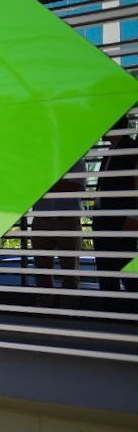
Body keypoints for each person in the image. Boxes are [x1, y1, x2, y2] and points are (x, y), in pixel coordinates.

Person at [92, 116, 136, 305]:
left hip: (121, 220)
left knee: (125, 265)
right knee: (105, 266)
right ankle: (110, 309)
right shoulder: (111, 150)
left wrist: (133, 215)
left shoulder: (131, 149)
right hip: (104, 219)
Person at [31, 157, 86, 304]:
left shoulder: (76, 161)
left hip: (68, 223)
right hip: (41, 222)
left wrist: (43, 184)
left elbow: (73, 187)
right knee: (42, 270)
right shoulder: (38, 163)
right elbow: (27, 186)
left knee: (70, 271)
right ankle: (44, 308)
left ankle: (70, 308)